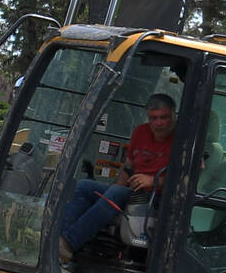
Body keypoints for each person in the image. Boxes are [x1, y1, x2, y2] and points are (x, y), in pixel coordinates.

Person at [58, 94, 175, 262]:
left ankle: (69, 243)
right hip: (131, 191)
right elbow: (128, 167)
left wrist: (153, 181)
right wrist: (114, 187)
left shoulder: (183, 139)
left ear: (173, 115)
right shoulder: (140, 132)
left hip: (157, 198)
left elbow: (189, 177)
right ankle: (58, 239)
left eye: (164, 118)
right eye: (153, 118)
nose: (158, 123)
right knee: (84, 186)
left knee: (116, 193)